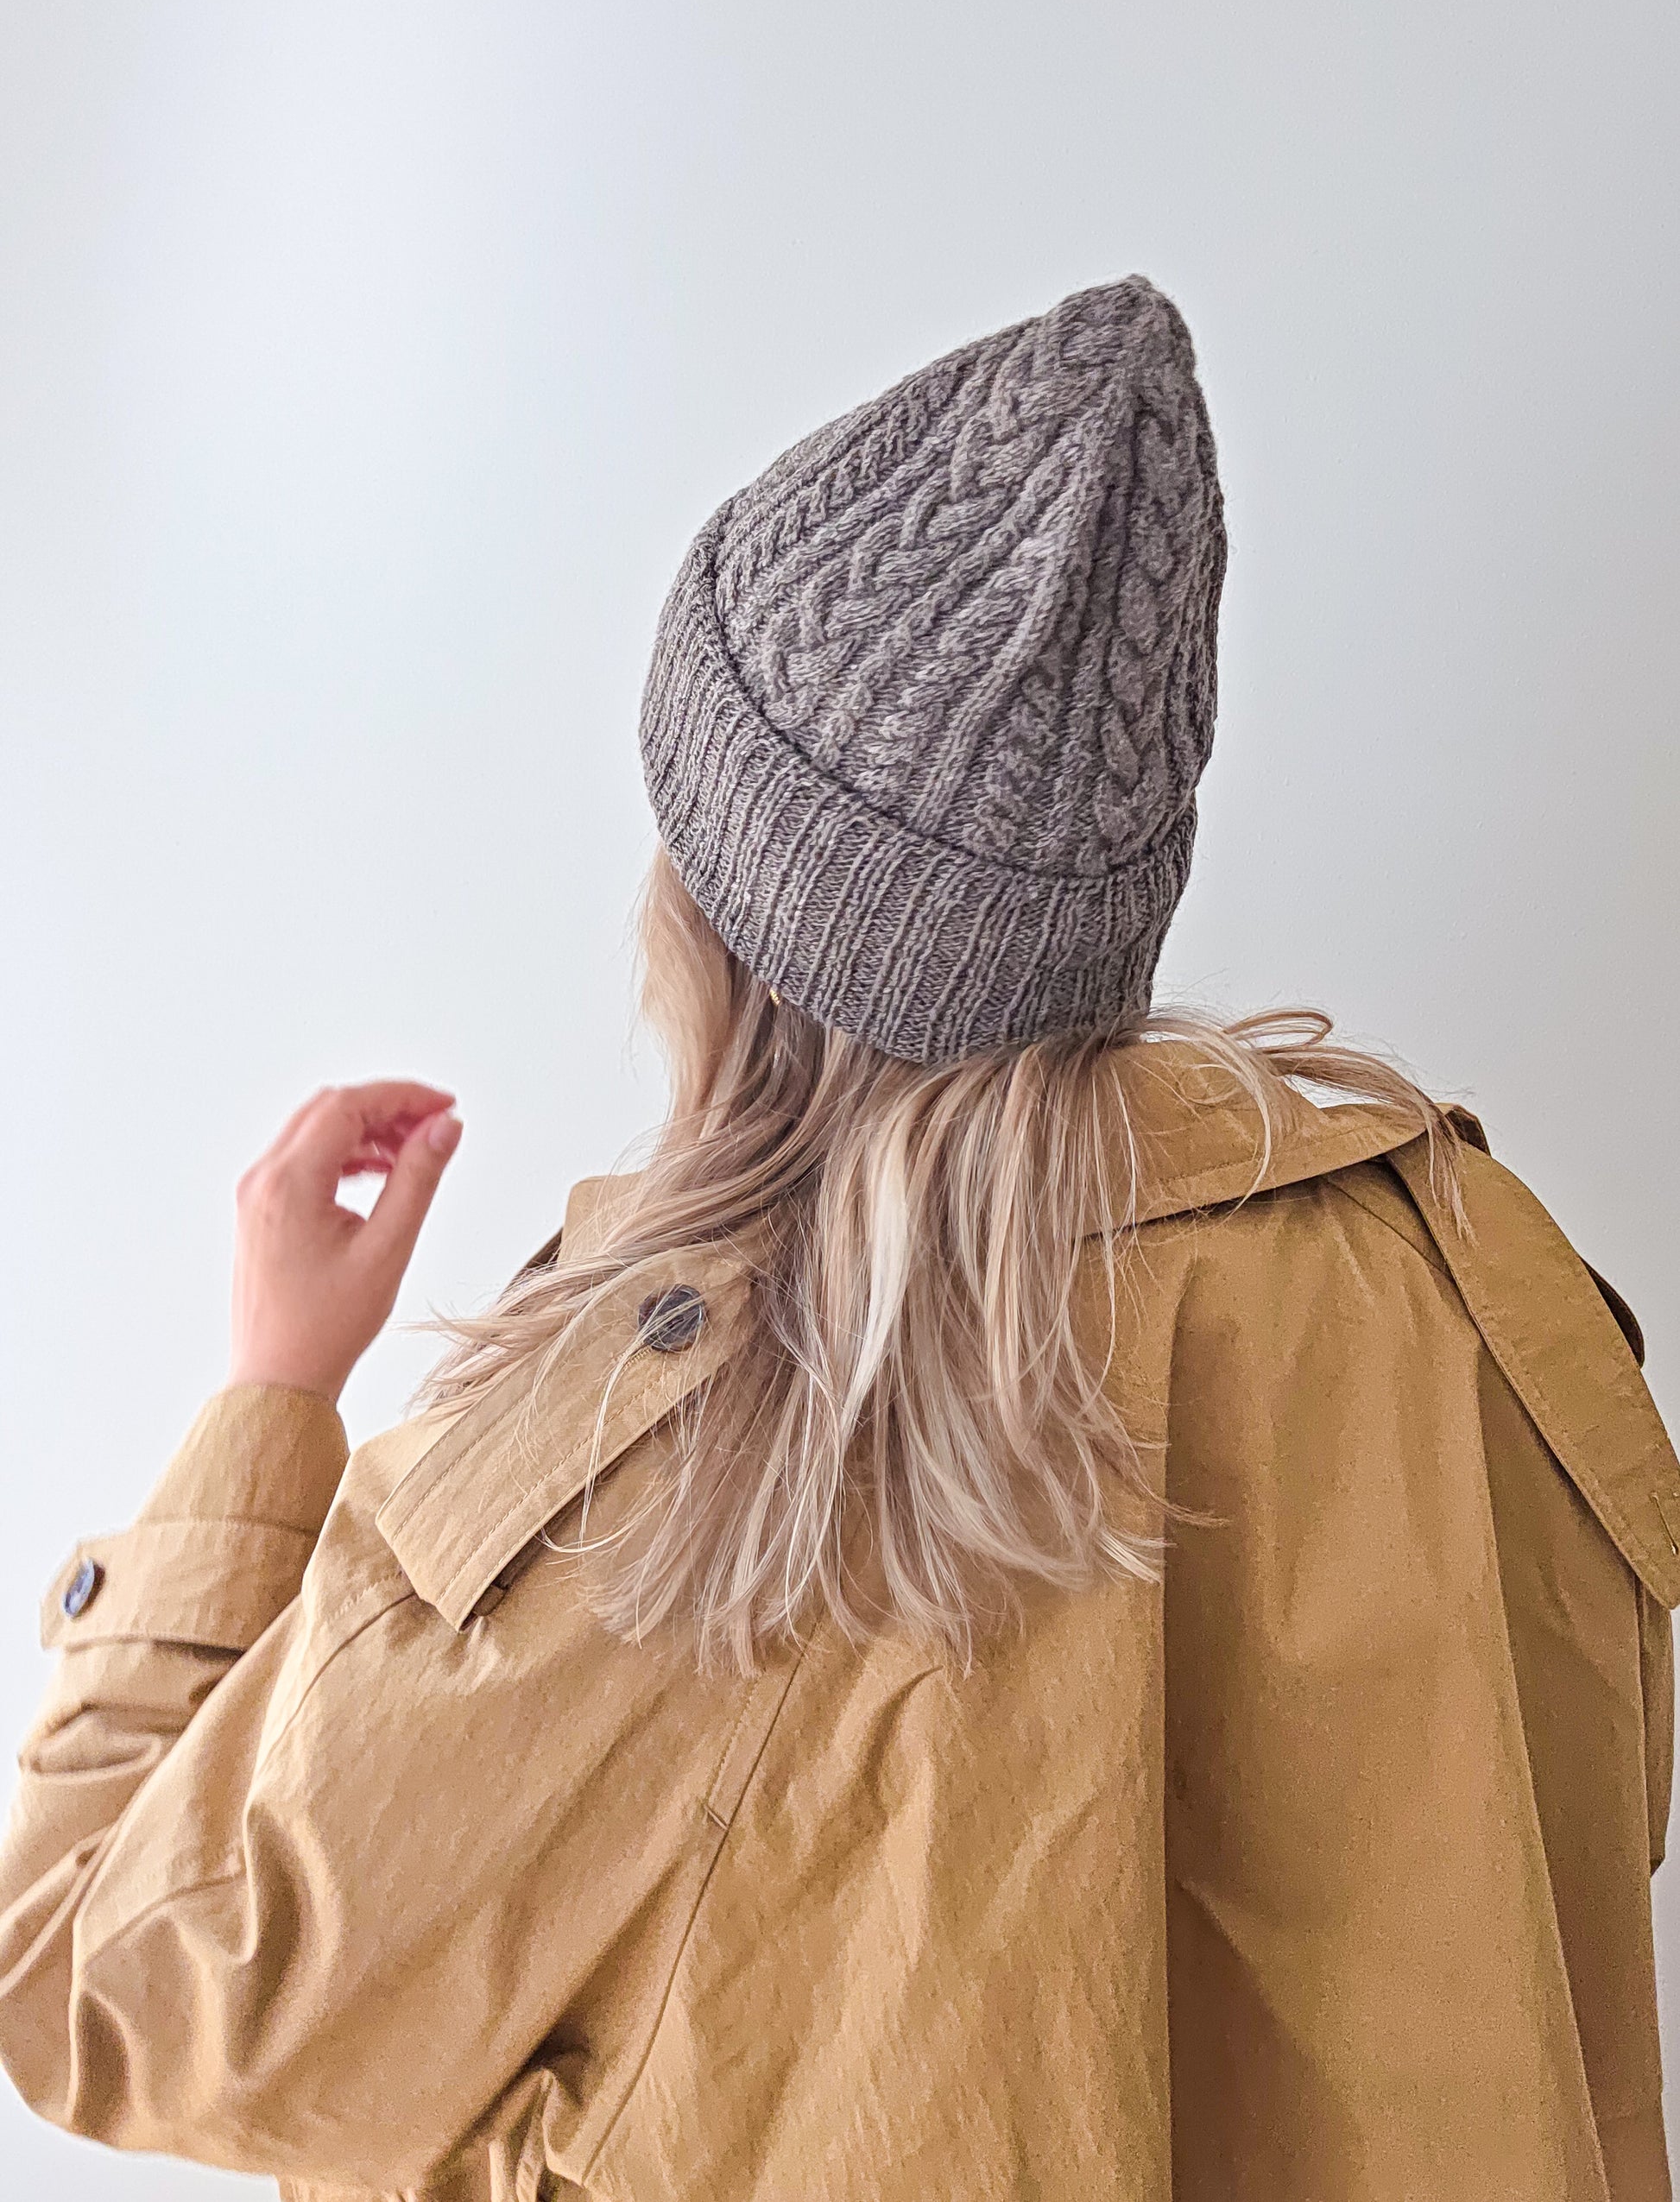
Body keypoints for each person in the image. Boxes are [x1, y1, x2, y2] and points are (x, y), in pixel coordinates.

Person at [0, 278, 1673, 2202]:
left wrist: (270, 1395)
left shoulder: (692, 1452)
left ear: (717, 907)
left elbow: (92, 1991)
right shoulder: (1467, 1281)